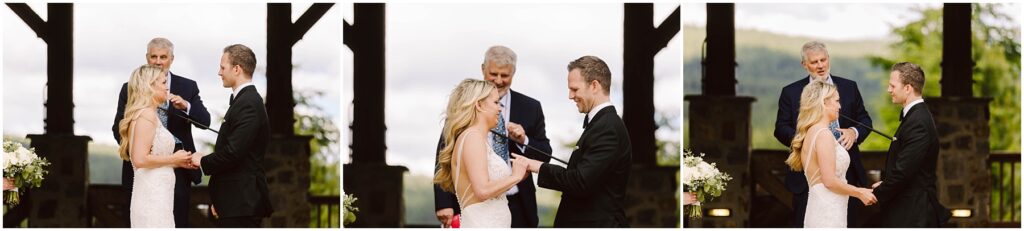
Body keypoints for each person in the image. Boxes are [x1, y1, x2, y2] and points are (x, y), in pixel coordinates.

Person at [434, 45, 551, 228]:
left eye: (504, 75)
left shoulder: (531, 107)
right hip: (480, 211)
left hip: (516, 204)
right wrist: (515, 175)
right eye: (493, 74)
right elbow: (444, 155)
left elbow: (545, 154)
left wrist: (523, 141)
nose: (498, 80)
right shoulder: (471, 135)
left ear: (513, 73)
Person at [515, 56, 632, 227]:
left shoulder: (608, 128)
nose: (570, 96)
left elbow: (580, 182)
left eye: (575, 89)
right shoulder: (600, 124)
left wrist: (537, 166)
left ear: (594, 86)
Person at [112, 37, 210, 227]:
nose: (158, 61)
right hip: (144, 175)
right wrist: (139, 149)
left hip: (180, 171)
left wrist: (186, 106)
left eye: (163, 57)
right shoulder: (131, 89)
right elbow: (119, 127)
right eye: (153, 56)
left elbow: (205, 122)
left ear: (171, 59)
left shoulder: (188, 86)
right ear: (146, 57)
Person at [774, 41, 872, 227]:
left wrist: (853, 131)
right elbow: (780, 128)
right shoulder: (791, 92)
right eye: (814, 62)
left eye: (823, 60)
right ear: (804, 64)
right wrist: (808, 138)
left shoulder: (849, 87)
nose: (820, 65)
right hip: (809, 177)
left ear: (828, 59)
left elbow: (864, 120)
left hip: (846, 172)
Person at [190, 44, 274, 227]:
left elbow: (233, 153)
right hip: (233, 201)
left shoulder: (249, 103)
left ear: (237, 69)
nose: (219, 72)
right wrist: (220, 200)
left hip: (242, 203)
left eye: (222, 67)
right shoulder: (243, 101)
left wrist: (202, 160)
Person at [432, 79, 531, 228]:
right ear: (479, 105)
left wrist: (519, 174)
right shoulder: (473, 138)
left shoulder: (474, 138)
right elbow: (482, 190)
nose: (499, 109)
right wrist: (515, 176)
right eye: (495, 103)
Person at [783, 80, 877, 228]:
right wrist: (859, 192)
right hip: (828, 215)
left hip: (822, 210)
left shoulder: (811, 132)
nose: (840, 106)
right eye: (837, 101)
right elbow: (829, 181)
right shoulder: (823, 134)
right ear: (824, 103)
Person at [871, 62, 950, 227]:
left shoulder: (918, 122)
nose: (889, 90)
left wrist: (877, 192)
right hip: (908, 208)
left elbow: (903, 171)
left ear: (907, 88)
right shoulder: (915, 116)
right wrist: (885, 183)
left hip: (914, 212)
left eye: (892, 85)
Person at [117, 64, 196, 227]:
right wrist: (173, 157)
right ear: (150, 86)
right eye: (163, 82)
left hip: (159, 197)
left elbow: (154, 158)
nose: (167, 86)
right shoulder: (146, 115)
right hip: (152, 199)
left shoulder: (150, 114)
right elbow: (139, 159)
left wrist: (177, 162)